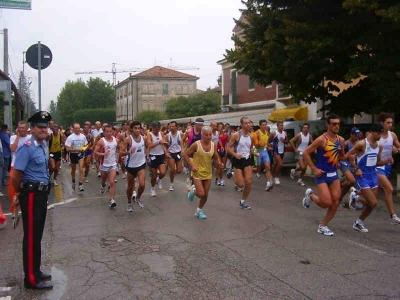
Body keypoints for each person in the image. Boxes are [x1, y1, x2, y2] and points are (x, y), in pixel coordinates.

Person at [12, 111, 53, 289]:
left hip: (41, 194)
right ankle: (30, 279)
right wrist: (18, 192)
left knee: (37, 236)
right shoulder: (27, 147)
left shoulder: (43, 145)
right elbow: (16, 175)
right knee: (30, 237)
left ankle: (36, 271)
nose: (44, 130)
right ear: (32, 128)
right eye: (40, 127)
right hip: (31, 195)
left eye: (46, 126)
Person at [301, 114, 347, 236]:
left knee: (335, 201)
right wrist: (314, 169)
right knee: (326, 203)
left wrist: (350, 158)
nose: (336, 126)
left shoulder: (341, 140)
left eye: (338, 123)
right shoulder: (322, 139)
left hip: (334, 175)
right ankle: (311, 195)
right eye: (333, 124)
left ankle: (323, 225)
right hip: (321, 175)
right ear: (328, 125)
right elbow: (306, 153)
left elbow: (342, 156)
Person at [346, 123, 389, 232]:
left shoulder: (379, 146)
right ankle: (356, 198)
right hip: (362, 176)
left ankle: (358, 222)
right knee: (374, 202)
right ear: (372, 132)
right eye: (378, 133)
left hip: (373, 176)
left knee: (371, 204)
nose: (380, 136)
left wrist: (386, 161)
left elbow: (377, 163)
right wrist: (356, 168)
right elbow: (347, 157)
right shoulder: (362, 144)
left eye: (381, 133)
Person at [183, 126, 223, 219]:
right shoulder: (196, 145)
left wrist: (219, 164)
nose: (209, 137)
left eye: (210, 135)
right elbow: (185, 154)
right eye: (206, 135)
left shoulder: (213, 145)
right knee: (201, 194)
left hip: (208, 173)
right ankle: (193, 190)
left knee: (206, 194)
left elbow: (216, 157)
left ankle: (199, 210)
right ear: (202, 135)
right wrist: (192, 165)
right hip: (197, 173)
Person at [227, 117, 259, 210]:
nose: (248, 125)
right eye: (246, 123)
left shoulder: (251, 136)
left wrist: (254, 153)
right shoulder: (236, 135)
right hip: (238, 160)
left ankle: (243, 201)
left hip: (247, 159)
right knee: (240, 184)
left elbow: (250, 148)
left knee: (248, 182)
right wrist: (235, 154)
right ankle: (233, 173)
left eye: (249, 123)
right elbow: (228, 148)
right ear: (241, 124)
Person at [375, 113, 400, 224]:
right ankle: (392, 216)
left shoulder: (392, 135)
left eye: (391, 123)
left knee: (374, 195)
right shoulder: (375, 136)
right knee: (389, 189)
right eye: (388, 123)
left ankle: (356, 195)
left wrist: (397, 150)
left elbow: (399, 147)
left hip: (387, 166)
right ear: (382, 123)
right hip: (377, 166)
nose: (390, 125)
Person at [120, 121, 148, 211]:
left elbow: (147, 147)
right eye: (135, 128)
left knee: (142, 184)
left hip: (141, 164)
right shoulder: (128, 139)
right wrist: (128, 152)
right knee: (130, 186)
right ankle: (129, 202)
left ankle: (138, 198)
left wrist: (147, 155)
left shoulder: (144, 138)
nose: (137, 130)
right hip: (131, 165)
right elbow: (120, 152)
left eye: (139, 128)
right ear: (132, 129)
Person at [9, 121, 31, 214]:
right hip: (15, 166)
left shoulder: (30, 138)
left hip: (27, 168)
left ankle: (26, 209)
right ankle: (14, 210)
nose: (21, 129)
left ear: (27, 129)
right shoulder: (13, 137)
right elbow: (13, 149)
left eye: (23, 128)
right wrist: (17, 137)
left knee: (26, 189)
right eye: (19, 127)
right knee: (13, 189)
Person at [94, 125, 118, 208]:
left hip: (113, 165)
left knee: (112, 182)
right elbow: (95, 152)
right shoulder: (101, 141)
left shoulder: (115, 140)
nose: (109, 133)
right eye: (107, 131)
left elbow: (118, 149)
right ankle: (103, 186)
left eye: (110, 131)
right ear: (104, 132)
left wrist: (120, 155)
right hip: (104, 165)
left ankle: (112, 200)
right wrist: (103, 154)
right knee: (103, 180)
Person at [338, 127, 360, 204]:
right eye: (355, 135)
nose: (357, 137)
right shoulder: (346, 144)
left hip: (353, 164)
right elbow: (339, 153)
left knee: (349, 185)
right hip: (344, 163)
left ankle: (339, 199)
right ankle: (339, 185)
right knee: (352, 181)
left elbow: (359, 154)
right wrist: (338, 162)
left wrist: (355, 157)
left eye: (358, 135)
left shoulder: (358, 144)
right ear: (351, 134)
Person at [147, 121, 168, 197]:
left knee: (163, 172)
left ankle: (159, 179)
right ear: (152, 128)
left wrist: (166, 151)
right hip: (153, 156)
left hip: (161, 155)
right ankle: (152, 188)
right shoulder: (150, 135)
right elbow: (149, 145)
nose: (157, 131)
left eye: (158, 129)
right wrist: (159, 142)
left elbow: (163, 144)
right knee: (153, 176)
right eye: (156, 129)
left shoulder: (161, 134)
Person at [65, 123, 88, 191]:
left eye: (78, 128)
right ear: (73, 129)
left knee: (81, 169)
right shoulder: (70, 137)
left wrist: (83, 149)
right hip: (73, 154)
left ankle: (80, 184)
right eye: (76, 128)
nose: (77, 129)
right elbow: (67, 148)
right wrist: (76, 149)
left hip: (80, 154)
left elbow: (86, 145)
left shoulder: (83, 136)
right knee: (73, 170)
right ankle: (73, 180)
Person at [256, 119, 273, 191]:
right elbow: (254, 144)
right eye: (263, 125)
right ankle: (257, 171)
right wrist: (258, 144)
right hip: (259, 151)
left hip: (265, 151)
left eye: (265, 125)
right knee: (258, 168)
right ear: (260, 125)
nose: (264, 126)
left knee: (267, 167)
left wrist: (269, 146)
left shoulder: (267, 133)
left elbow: (267, 142)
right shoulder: (257, 133)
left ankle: (268, 183)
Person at [165, 121, 182, 191]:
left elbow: (182, 143)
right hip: (171, 153)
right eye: (170, 126)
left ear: (176, 127)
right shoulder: (167, 135)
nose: (171, 128)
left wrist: (183, 150)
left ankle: (172, 173)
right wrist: (166, 152)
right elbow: (164, 145)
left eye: (173, 126)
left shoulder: (180, 134)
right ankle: (171, 184)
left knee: (179, 171)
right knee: (172, 169)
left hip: (178, 153)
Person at [269, 121, 288, 185]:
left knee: (276, 165)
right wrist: (270, 145)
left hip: (282, 150)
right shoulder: (274, 133)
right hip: (275, 150)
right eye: (280, 125)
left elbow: (287, 142)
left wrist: (284, 140)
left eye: (282, 125)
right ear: (277, 126)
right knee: (280, 164)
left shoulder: (285, 133)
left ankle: (271, 175)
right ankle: (276, 178)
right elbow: (268, 140)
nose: (281, 126)